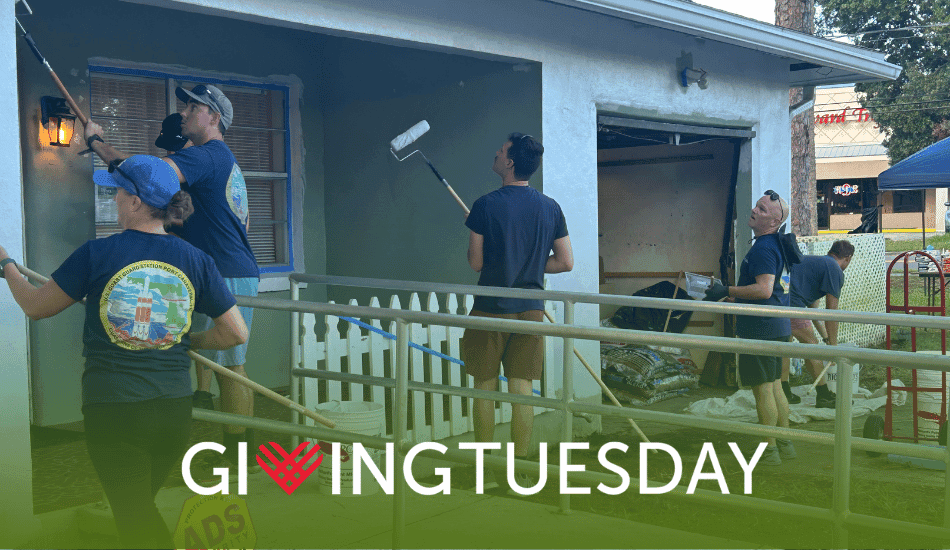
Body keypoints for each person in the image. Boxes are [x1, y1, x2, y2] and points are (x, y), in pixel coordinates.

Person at [0, 155, 247, 548]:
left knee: (137, 521)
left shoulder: (97, 253)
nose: (114, 198)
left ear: (135, 201)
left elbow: (35, 306)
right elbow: (235, 332)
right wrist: (180, 339)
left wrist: (7, 264)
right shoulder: (196, 259)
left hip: (116, 412)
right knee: (136, 510)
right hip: (173, 412)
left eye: (118, 191)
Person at [83, 83, 259, 467]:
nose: (184, 112)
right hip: (222, 268)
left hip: (226, 271)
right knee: (222, 362)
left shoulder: (207, 155)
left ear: (214, 117)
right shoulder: (219, 159)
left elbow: (147, 174)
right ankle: (230, 447)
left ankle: (238, 456)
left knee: (231, 367)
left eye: (193, 107)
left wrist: (98, 143)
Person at [461, 133, 573, 489]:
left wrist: (486, 238)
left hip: (491, 309)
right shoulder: (550, 207)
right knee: (522, 388)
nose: (496, 153)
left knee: (485, 387)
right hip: (530, 311)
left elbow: (476, 263)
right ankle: (520, 467)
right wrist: (533, 265)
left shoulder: (484, 206)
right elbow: (565, 262)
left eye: (501, 150)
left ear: (509, 162)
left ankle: (484, 468)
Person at [705, 190, 794, 465]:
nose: (755, 210)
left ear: (774, 222)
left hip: (760, 328)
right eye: (757, 206)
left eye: (762, 209)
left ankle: (769, 449)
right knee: (776, 385)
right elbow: (770, 289)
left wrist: (726, 289)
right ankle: (784, 442)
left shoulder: (764, 248)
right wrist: (735, 297)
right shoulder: (777, 244)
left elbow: (764, 289)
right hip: (778, 324)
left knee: (763, 389)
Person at [781, 239, 854, 407]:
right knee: (812, 347)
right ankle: (823, 395)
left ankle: (783, 392)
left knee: (785, 345)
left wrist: (826, 338)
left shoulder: (817, 263)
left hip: (780, 297)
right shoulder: (835, 270)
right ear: (848, 258)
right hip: (793, 303)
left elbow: (814, 312)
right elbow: (831, 313)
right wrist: (833, 348)